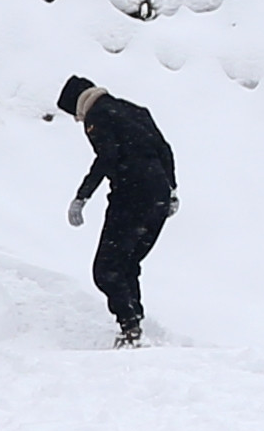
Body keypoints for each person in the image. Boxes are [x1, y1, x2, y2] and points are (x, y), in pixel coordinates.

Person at [56, 75, 178, 345]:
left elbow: (107, 157)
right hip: (157, 195)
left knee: (106, 269)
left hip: (130, 196)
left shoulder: (96, 116)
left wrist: (82, 196)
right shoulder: (134, 109)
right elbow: (164, 149)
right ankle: (135, 320)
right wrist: (171, 190)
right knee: (128, 262)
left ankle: (130, 327)